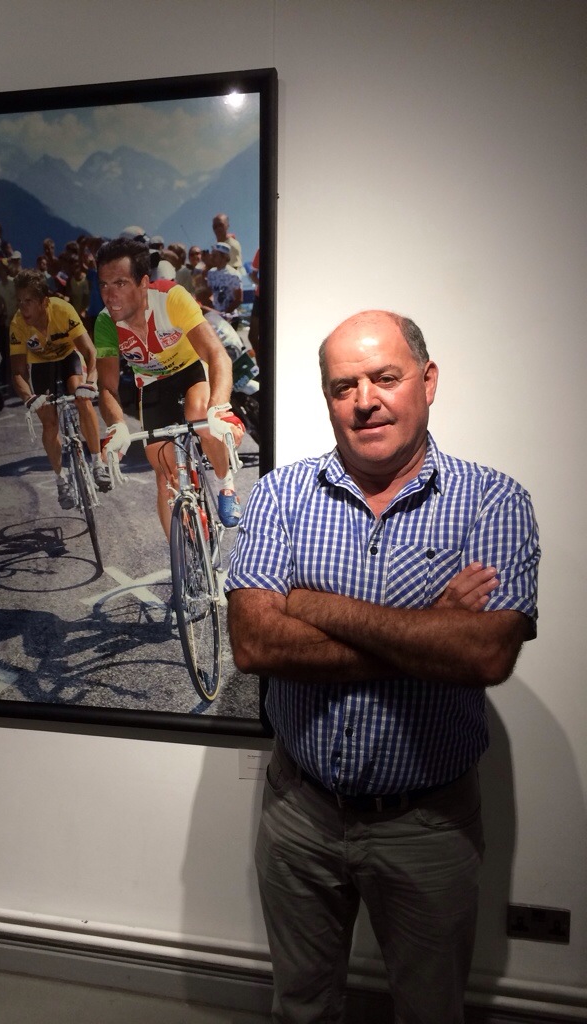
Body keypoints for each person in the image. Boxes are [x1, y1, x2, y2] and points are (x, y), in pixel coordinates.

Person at [226, 310, 540, 1024]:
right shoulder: (280, 496)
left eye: (385, 378)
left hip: (429, 824)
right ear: (328, 398)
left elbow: (484, 652)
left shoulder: (493, 501)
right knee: (301, 1007)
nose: (364, 400)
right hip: (298, 813)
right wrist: (430, 627)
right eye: (344, 387)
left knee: (430, 1011)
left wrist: (313, 605)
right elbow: (254, 645)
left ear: (427, 381)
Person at [95, 237, 243, 533]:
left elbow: (217, 355)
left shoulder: (171, 298)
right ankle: (181, 552)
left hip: (190, 371)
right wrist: (116, 426)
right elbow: (108, 388)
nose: (110, 296)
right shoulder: (105, 323)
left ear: (143, 283)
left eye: (120, 283)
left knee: (200, 415)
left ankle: (225, 484)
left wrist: (220, 408)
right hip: (152, 384)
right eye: (104, 285)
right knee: (164, 478)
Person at [9, 269, 111, 507]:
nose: (23, 308)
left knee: (80, 395)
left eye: (28, 301)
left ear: (44, 302)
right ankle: (61, 479)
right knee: (49, 420)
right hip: (41, 365)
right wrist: (28, 397)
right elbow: (18, 372)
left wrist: (91, 381)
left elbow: (90, 352)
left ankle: (97, 463)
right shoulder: (17, 324)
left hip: (68, 358)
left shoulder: (63, 310)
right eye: (19, 301)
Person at [206, 242, 243, 315]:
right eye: (212, 255)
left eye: (215, 255)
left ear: (224, 257)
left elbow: (239, 299)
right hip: (215, 315)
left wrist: (225, 314)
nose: (212, 258)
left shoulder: (234, 274)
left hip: (230, 317)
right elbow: (210, 293)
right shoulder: (211, 273)